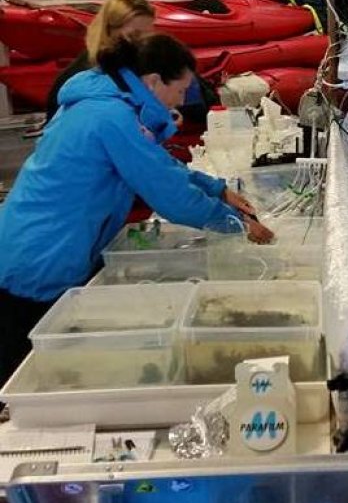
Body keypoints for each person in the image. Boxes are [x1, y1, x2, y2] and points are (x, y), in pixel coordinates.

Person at [0, 34, 273, 385]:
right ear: (152, 81)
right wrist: (236, 224)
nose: (181, 100)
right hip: (39, 260)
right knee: (27, 380)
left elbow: (157, 164)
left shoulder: (107, 103)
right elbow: (170, 196)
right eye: (179, 90)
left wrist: (217, 190)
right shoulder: (111, 116)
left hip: (34, 247)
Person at [45, 0, 155, 121]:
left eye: (147, 36)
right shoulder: (82, 76)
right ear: (109, 30)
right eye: (134, 35)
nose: (142, 43)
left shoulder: (132, 68)